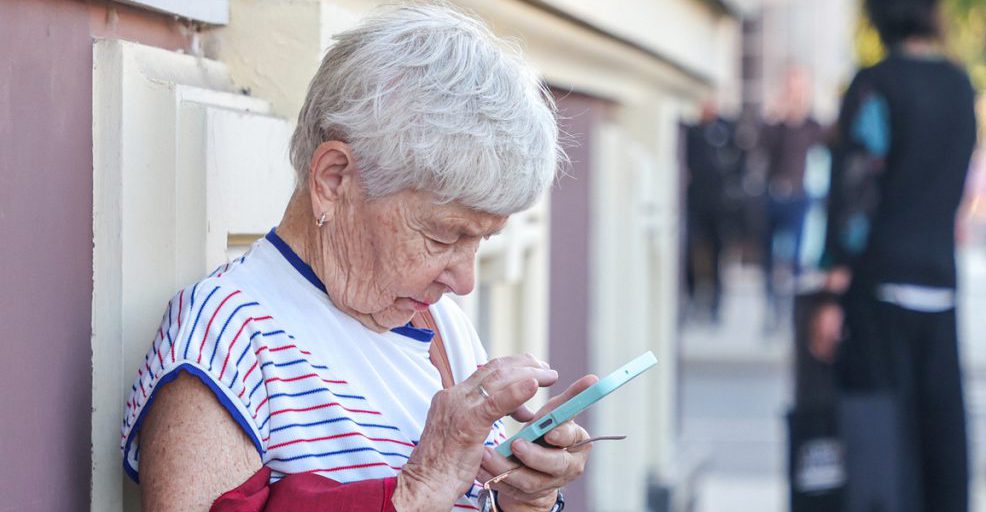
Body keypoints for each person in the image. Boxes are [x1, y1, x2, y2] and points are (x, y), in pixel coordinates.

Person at [120, 5, 594, 511]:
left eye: (482, 240)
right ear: (334, 179)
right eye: (442, 236)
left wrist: (523, 502)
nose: (465, 281)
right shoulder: (225, 337)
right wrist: (415, 491)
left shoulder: (442, 327)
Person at [811, 0, 976, 510]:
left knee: (880, 448)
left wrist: (831, 294)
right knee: (939, 441)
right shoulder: (960, 85)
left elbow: (856, 193)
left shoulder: (874, 84)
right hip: (939, 284)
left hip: (880, 288)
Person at [758, 69, 823, 332]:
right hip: (774, 193)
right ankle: (770, 309)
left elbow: (821, 144)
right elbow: (762, 146)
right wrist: (779, 117)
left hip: (798, 195)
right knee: (768, 257)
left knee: (795, 256)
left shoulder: (811, 125)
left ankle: (792, 311)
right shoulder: (775, 124)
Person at [683, 101, 745, 324]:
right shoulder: (691, 130)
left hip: (719, 205)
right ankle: (692, 295)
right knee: (689, 249)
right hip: (694, 202)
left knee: (718, 252)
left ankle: (716, 301)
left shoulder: (726, 129)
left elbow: (740, 161)